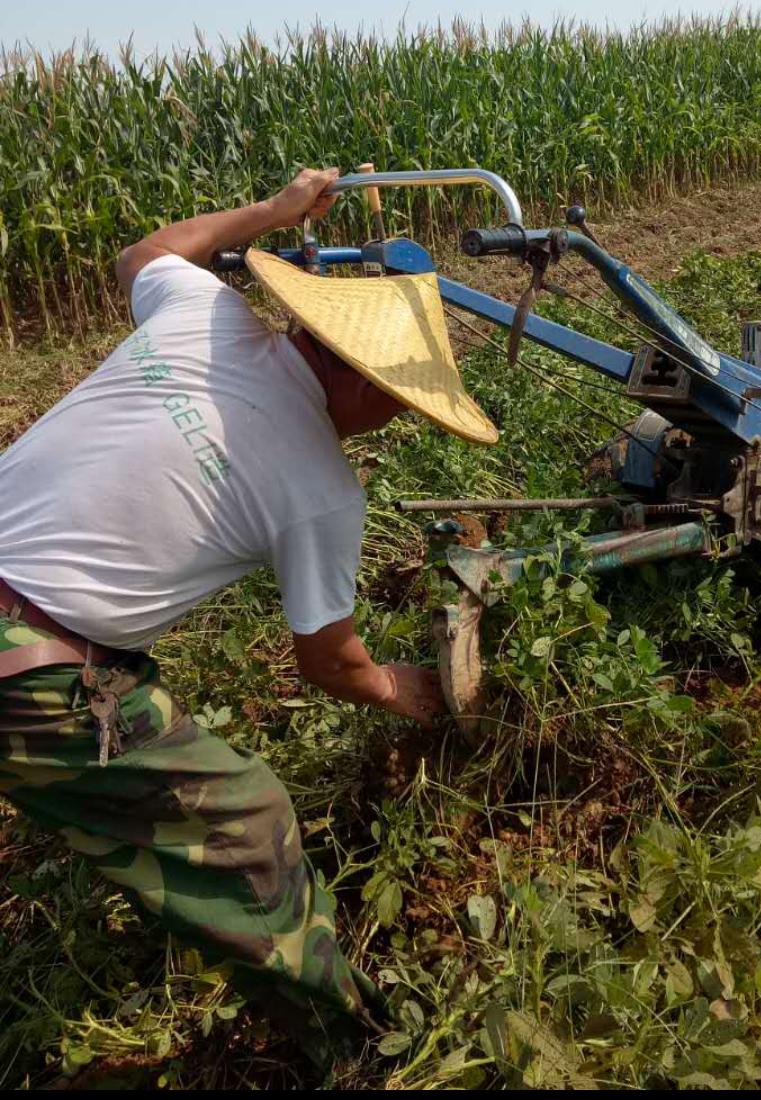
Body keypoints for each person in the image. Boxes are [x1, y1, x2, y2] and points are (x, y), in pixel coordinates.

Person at [0, 167, 497, 1051]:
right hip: (24, 671)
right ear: (372, 386)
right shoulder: (321, 490)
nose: (390, 419)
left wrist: (269, 215)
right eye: (399, 402)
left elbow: (142, 254)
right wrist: (409, 692)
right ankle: (352, 1043)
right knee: (249, 818)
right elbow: (329, 662)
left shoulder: (206, 314)